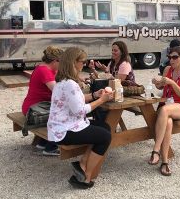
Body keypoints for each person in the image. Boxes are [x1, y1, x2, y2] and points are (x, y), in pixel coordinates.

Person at [47, 47, 113, 189]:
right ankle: (85, 178)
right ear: (73, 63)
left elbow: (77, 100)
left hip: (60, 126)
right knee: (105, 137)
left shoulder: (63, 81)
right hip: (63, 131)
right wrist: (102, 100)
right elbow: (80, 110)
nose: (84, 64)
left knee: (104, 126)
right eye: (83, 62)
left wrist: (95, 95)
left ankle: (82, 164)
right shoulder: (70, 84)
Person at [150, 46, 180, 176]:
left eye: (175, 57)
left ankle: (155, 149)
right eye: (170, 57)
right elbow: (162, 86)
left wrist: (172, 82)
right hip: (167, 104)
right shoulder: (167, 69)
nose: (171, 60)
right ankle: (165, 162)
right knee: (167, 122)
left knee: (164, 110)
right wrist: (158, 83)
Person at [22, 46, 63, 156]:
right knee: (63, 114)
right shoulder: (45, 71)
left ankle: (42, 142)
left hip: (34, 106)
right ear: (55, 61)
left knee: (59, 110)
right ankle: (51, 147)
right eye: (61, 62)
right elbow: (58, 92)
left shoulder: (43, 68)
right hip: (34, 110)